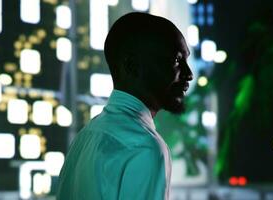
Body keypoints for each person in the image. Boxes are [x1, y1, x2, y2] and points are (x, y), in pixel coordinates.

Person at [57, 12, 193, 200]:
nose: (189, 73)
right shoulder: (145, 147)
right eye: (177, 60)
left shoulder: (84, 138)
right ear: (132, 66)